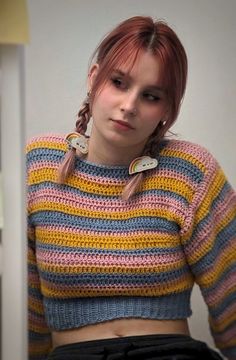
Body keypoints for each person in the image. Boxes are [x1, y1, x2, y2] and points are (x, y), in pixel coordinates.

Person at [26, 16, 236, 360]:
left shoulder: (191, 171)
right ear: (94, 78)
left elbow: (231, 295)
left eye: (150, 95)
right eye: (119, 82)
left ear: (166, 110)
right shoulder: (38, 164)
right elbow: (27, 307)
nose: (129, 105)